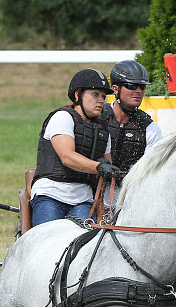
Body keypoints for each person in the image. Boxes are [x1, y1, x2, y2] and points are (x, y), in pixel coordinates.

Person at [30, 68, 119, 226]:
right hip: (50, 194)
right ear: (77, 95)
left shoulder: (104, 131)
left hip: (83, 200)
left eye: (104, 96)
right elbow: (67, 157)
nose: (101, 100)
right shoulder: (62, 117)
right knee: (48, 239)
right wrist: (99, 167)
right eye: (95, 94)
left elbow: (108, 166)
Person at [99, 60, 164, 204]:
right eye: (131, 86)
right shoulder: (97, 118)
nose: (138, 91)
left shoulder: (150, 128)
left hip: (131, 201)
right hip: (92, 198)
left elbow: (155, 174)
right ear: (115, 89)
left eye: (142, 87)